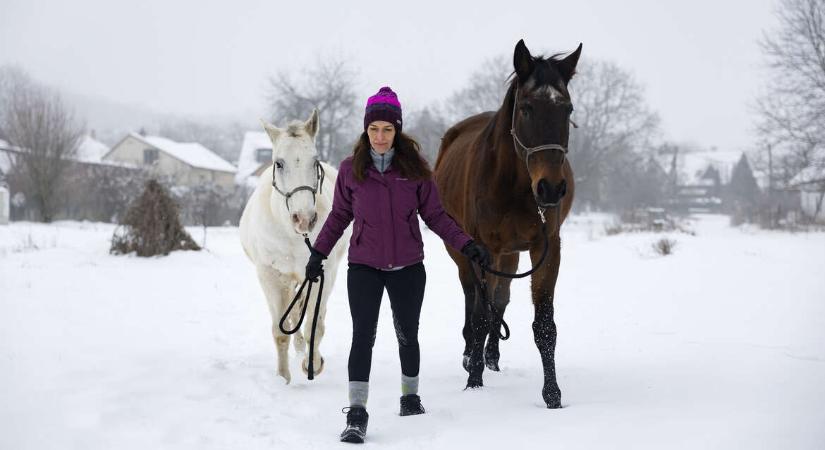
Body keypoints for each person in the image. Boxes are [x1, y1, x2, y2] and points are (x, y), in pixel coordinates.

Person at [307, 86, 490, 444]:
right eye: (374, 129)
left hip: (408, 268)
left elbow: (437, 216)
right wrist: (319, 253)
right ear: (366, 130)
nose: (380, 136)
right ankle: (357, 414)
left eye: (387, 129)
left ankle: (410, 398)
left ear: (398, 130)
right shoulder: (351, 171)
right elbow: (339, 216)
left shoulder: (417, 172)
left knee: (408, 335)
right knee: (363, 338)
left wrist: (467, 244)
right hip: (364, 267)